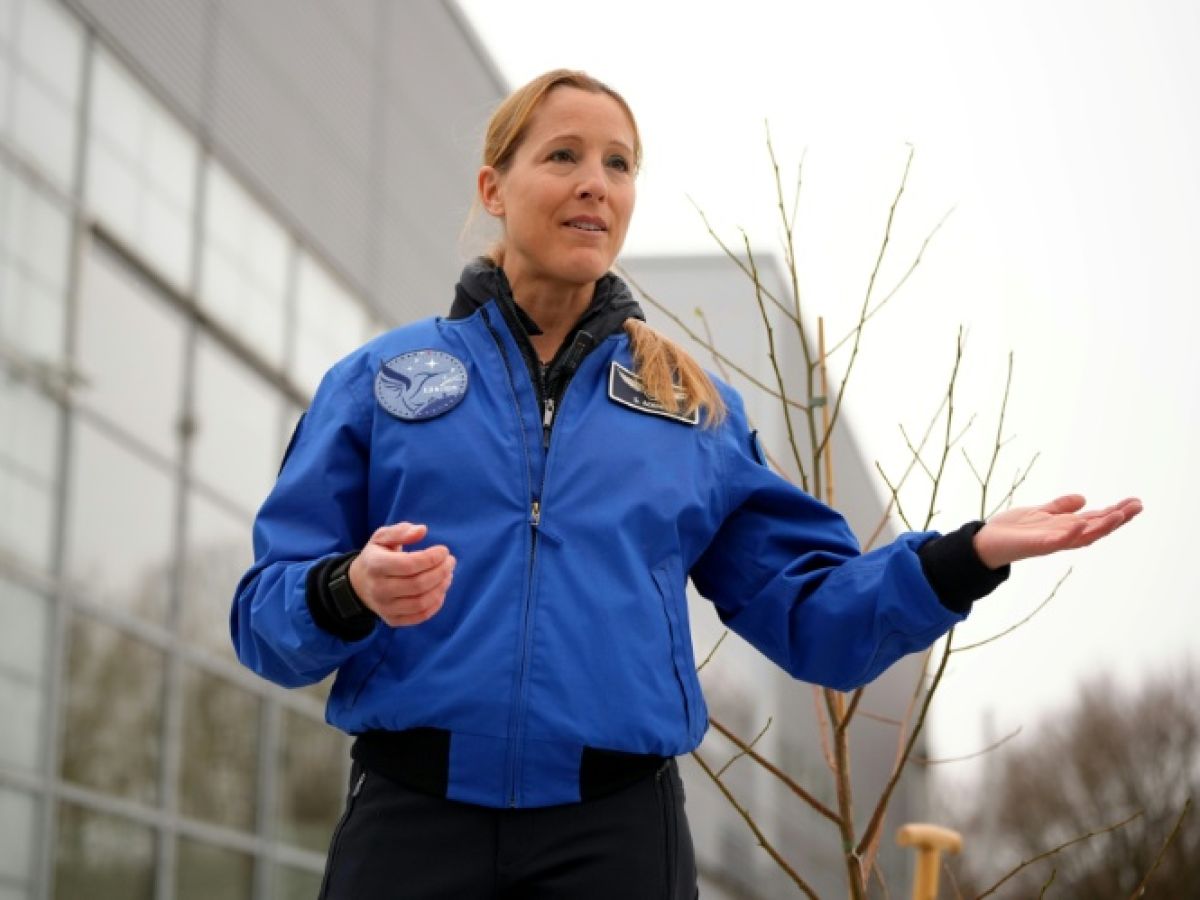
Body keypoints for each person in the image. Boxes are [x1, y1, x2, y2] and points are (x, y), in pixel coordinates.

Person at [230, 70, 1142, 899]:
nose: (597, 181)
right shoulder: (379, 382)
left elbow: (814, 612)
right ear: (492, 188)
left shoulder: (690, 410)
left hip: (614, 839)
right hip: (412, 823)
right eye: (564, 156)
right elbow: (264, 621)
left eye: (619, 164)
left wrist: (963, 558)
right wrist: (348, 590)